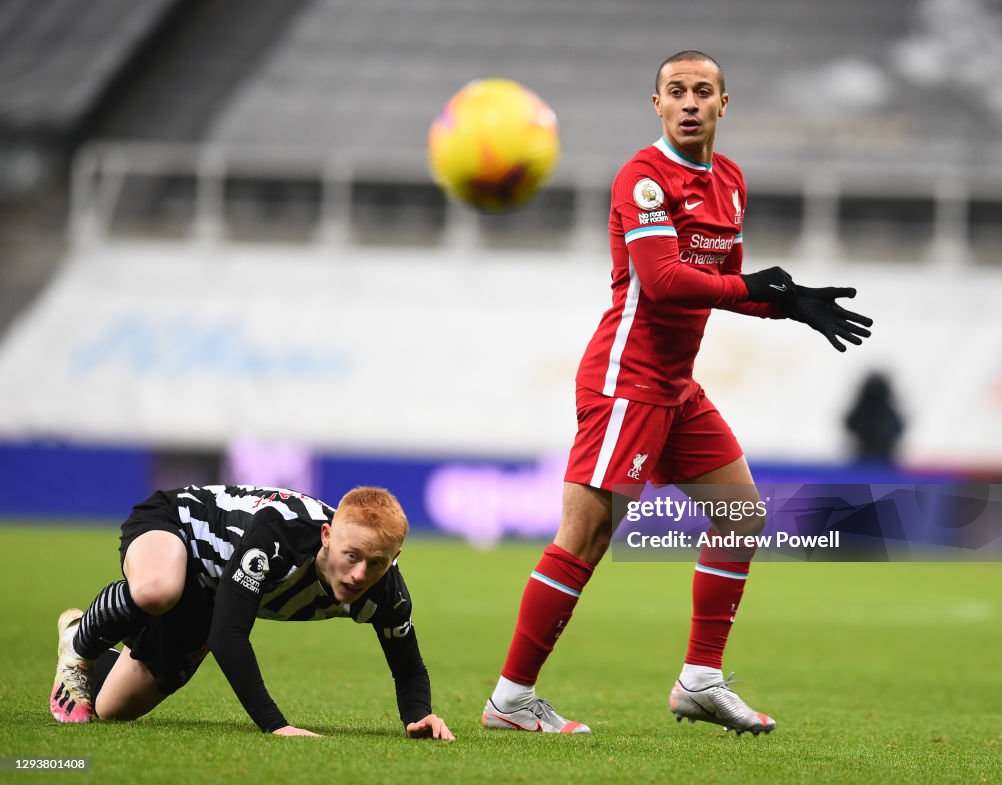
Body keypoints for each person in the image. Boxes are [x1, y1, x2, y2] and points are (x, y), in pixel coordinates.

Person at [481, 50, 872, 736]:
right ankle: (510, 698)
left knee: (742, 514)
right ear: (656, 105)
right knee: (586, 535)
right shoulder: (644, 178)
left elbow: (726, 281)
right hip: (625, 381)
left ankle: (700, 678)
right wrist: (756, 288)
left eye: (703, 91)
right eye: (676, 92)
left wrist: (790, 303)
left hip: (675, 387)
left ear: (725, 105)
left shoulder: (729, 181)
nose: (689, 102)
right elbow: (663, 280)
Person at [50, 484, 454, 740]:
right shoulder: (277, 535)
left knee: (111, 709)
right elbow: (228, 635)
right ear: (327, 536)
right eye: (352, 556)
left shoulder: (386, 591)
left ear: (394, 557)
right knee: (158, 590)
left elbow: (409, 667)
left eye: (378, 562)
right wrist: (275, 725)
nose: (360, 574)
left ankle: (87, 634)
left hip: (209, 596)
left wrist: (419, 717)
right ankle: (79, 645)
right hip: (179, 528)